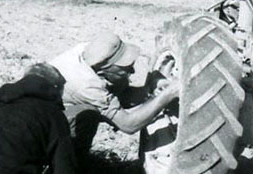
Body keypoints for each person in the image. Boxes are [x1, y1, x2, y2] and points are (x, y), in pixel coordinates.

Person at [50, 30, 179, 158]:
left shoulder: (90, 52)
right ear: (102, 72)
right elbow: (129, 125)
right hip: (45, 125)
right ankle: (67, 166)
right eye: (124, 69)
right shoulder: (87, 85)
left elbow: (119, 95)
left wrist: (149, 89)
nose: (132, 71)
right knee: (88, 114)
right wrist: (168, 94)